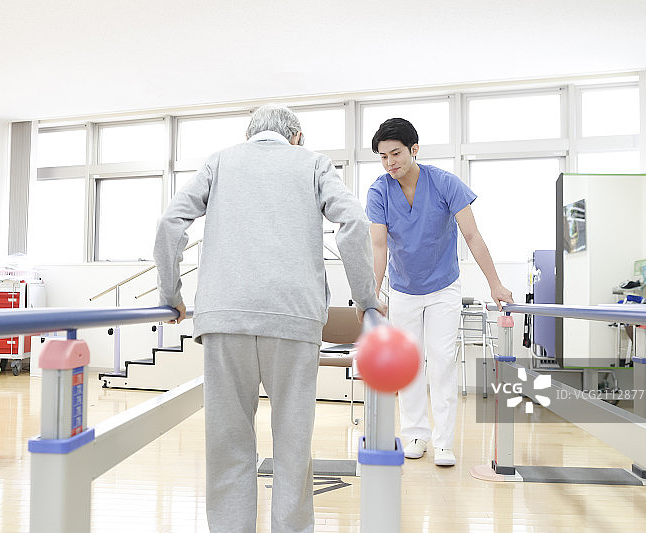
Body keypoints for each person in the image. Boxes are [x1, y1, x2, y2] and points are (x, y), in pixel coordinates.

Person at [154, 105, 385, 533]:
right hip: (294, 319)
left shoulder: (220, 161)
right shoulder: (313, 162)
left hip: (225, 318)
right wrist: (366, 298)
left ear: (250, 135)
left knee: (228, 444)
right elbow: (353, 221)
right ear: (296, 136)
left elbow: (171, 222)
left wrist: (171, 295)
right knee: (293, 445)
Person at [365, 118, 513, 466]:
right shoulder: (379, 191)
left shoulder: (445, 183)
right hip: (403, 289)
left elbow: (472, 236)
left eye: (396, 153)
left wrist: (495, 283)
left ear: (414, 149)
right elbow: (379, 246)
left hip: (444, 287)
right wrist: (373, 292)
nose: (390, 163)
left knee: (443, 361)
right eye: (383, 157)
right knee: (409, 363)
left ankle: (444, 441)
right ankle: (415, 433)